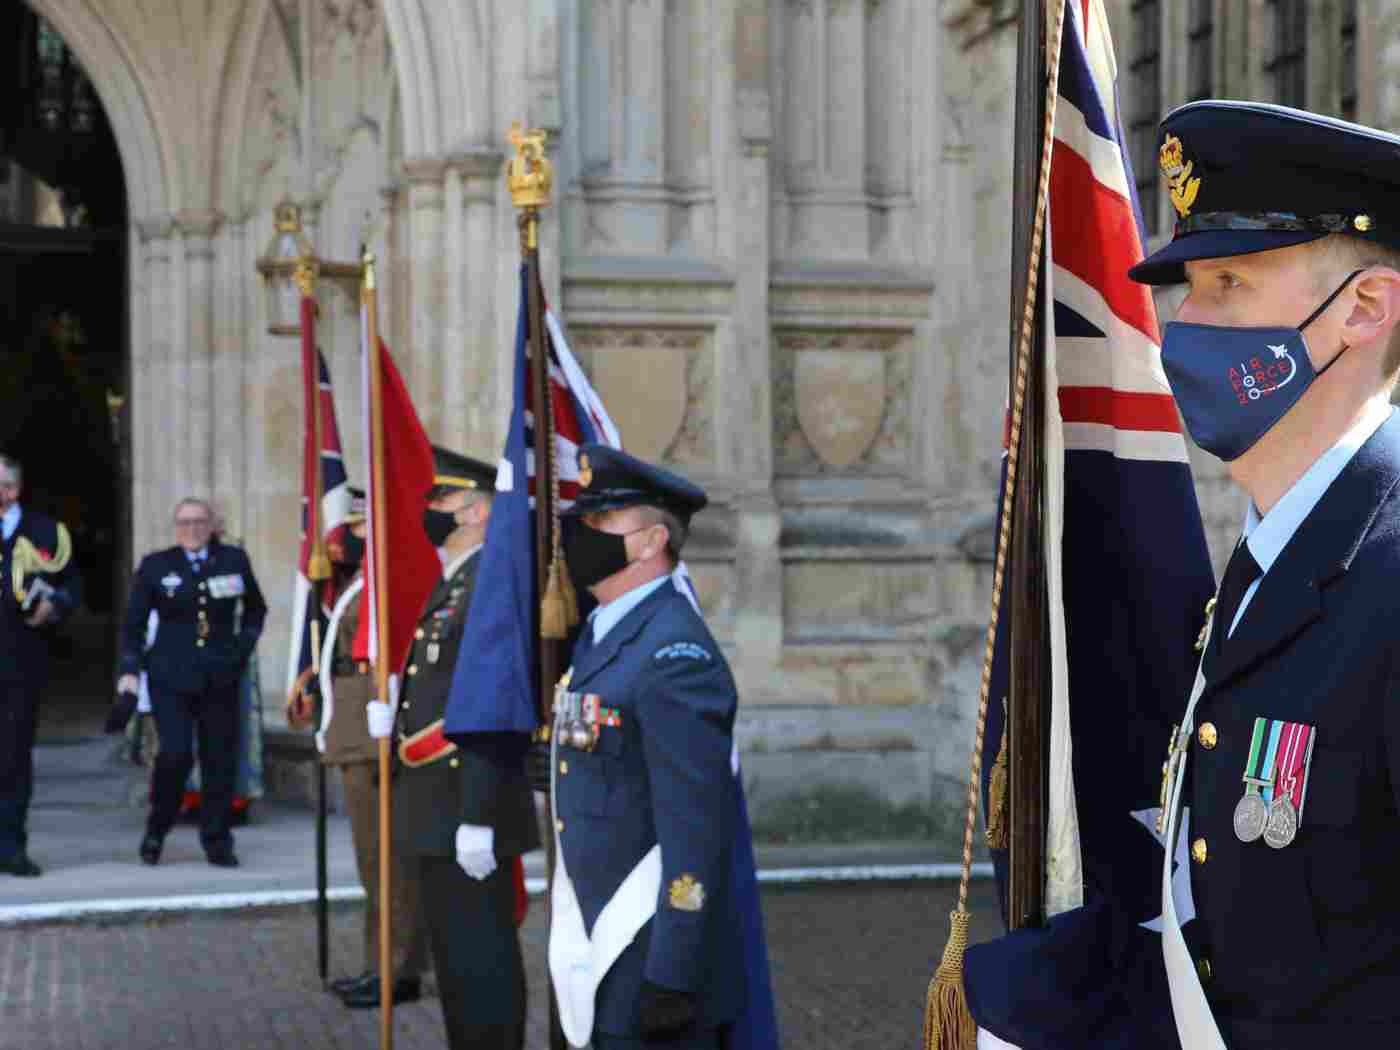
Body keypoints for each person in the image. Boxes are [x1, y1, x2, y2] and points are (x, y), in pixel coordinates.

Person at [1127, 101, 1400, 1046]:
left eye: (1230, 283)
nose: (1185, 325)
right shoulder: (1270, 552)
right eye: (1187, 288)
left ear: (1364, 310)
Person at [547, 444, 744, 1050]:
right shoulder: (607, 631)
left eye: (603, 523)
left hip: (642, 952)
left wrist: (673, 971)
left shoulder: (672, 653)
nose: (583, 535)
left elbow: (695, 829)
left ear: (651, 541)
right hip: (593, 934)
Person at [385, 447, 537, 1042]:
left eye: (440, 501)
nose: (429, 512)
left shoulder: (487, 584)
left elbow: (492, 708)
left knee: (482, 961)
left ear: (476, 512)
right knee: (455, 962)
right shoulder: (456, 583)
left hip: (467, 803)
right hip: (435, 802)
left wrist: (477, 816)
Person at [287, 488, 429, 1008]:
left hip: (373, 742)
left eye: (365, 519)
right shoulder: (362, 582)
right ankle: (381, 964)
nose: (355, 527)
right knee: (373, 865)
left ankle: (398, 971)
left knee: (388, 865)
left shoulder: (387, 580)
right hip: (351, 736)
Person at [117, 497, 266, 868]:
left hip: (220, 675)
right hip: (171, 676)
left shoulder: (232, 560)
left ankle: (217, 839)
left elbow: (255, 609)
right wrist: (130, 670)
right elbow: (133, 624)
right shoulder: (157, 566)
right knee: (176, 754)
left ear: (212, 525)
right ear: (176, 527)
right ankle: (157, 828)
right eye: (184, 523)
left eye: (199, 522)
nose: (192, 529)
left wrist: (241, 649)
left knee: (219, 759)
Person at [0, 453, 82, 877]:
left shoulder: (46, 532)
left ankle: (11, 847)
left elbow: (72, 587)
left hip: (19, 662)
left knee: (13, 758)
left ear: (11, 490)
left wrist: (55, 606)